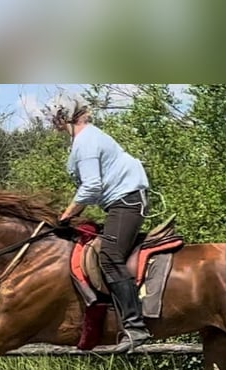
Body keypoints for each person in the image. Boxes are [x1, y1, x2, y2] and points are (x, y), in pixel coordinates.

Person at [43, 92, 152, 353]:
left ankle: (135, 327)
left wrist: (66, 215)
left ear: (63, 117)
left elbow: (92, 186)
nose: (52, 123)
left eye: (53, 117)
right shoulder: (86, 139)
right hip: (121, 202)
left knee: (110, 256)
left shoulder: (86, 143)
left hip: (126, 202)